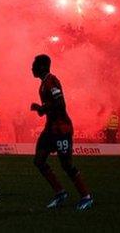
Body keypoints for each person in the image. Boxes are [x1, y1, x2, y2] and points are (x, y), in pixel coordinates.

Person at [30, 54, 92, 210]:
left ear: (42, 67)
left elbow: (60, 103)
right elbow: (51, 106)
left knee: (66, 165)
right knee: (38, 160)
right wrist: (41, 109)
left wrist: (42, 108)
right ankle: (60, 193)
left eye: (35, 65)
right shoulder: (44, 84)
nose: (32, 68)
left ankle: (86, 196)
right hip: (50, 129)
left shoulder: (51, 81)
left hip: (61, 129)